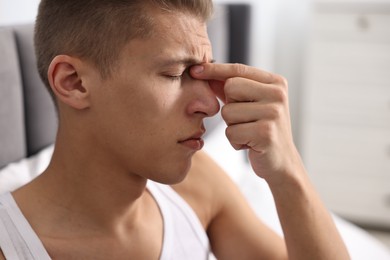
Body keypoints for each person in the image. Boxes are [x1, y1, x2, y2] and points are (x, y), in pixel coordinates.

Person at [0, 0, 350, 259]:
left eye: (203, 74)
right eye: (174, 74)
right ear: (74, 82)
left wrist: (287, 169)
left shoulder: (199, 188)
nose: (211, 106)